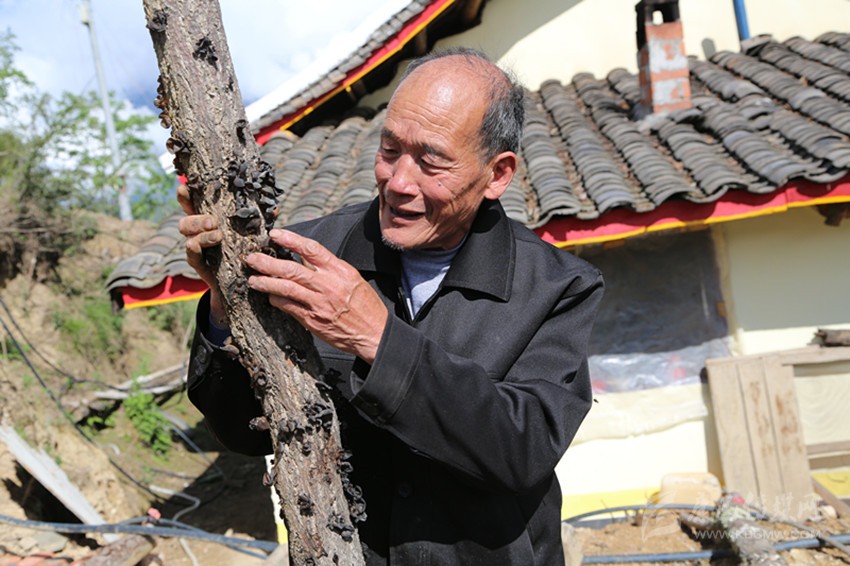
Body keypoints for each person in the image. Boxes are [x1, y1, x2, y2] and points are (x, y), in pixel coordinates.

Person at [179, 47, 604, 565]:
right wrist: (225, 308)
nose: (399, 182)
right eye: (389, 149)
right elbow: (243, 431)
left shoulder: (557, 287)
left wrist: (377, 339)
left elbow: (522, 450)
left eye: (431, 161)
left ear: (497, 174)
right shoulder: (308, 256)